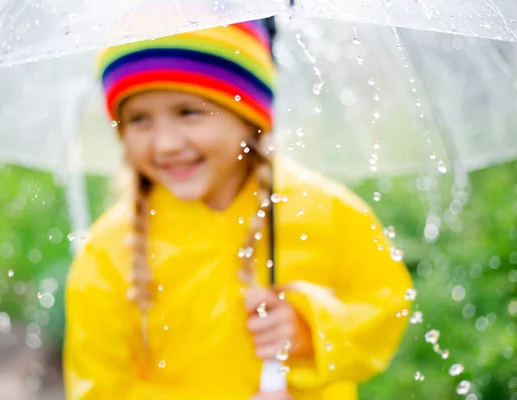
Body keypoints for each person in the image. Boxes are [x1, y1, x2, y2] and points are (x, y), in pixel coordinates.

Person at [63, 17, 413, 400]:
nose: (164, 144)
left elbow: (386, 306)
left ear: (249, 117)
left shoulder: (328, 212)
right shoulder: (109, 252)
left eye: (188, 112)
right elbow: (99, 390)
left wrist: (309, 331)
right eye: (139, 119)